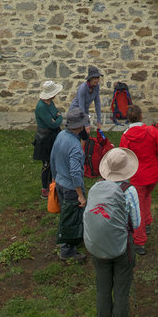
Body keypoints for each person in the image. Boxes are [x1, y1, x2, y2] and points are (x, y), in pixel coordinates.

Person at [85, 147, 141, 317]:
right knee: (121, 292)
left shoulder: (97, 188)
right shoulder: (129, 191)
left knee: (102, 290)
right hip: (123, 246)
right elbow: (137, 222)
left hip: (99, 244)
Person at [119, 104, 158, 254]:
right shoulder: (152, 131)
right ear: (141, 116)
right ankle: (147, 223)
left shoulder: (126, 137)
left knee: (137, 206)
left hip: (137, 177)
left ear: (128, 118)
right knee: (146, 197)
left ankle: (139, 241)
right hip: (152, 174)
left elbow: (123, 157)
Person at [50, 106, 89, 262]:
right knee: (71, 218)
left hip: (59, 181)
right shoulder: (75, 147)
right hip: (71, 188)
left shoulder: (60, 135)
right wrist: (80, 195)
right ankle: (67, 251)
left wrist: (54, 178)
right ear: (79, 126)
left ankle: (73, 240)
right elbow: (75, 173)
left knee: (66, 215)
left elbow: (52, 157)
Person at [33, 79, 63, 199]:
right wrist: (57, 119)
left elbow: (57, 115)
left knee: (54, 161)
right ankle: (45, 188)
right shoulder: (41, 106)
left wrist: (57, 118)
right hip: (45, 139)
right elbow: (54, 123)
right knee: (47, 164)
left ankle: (52, 184)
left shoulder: (50, 103)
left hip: (53, 136)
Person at [69, 65, 103, 130]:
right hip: (75, 111)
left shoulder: (96, 87)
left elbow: (97, 103)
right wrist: (86, 124)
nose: (97, 80)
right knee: (79, 131)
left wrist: (99, 120)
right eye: (95, 78)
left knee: (86, 134)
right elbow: (81, 107)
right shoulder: (82, 88)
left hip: (84, 111)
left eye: (98, 78)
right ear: (90, 79)